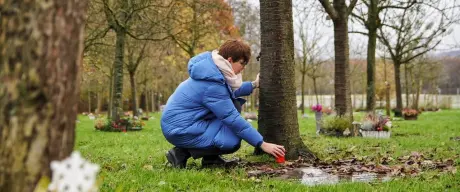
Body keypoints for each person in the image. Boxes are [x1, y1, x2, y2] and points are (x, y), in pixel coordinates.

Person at [161, 40, 285, 168]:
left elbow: (228, 92)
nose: (244, 67)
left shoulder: (211, 71)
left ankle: (210, 160)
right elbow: (232, 118)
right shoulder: (212, 84)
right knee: (231, 141)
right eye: (242, 63)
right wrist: (262, 144)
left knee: (231, 115)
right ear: (230, 60)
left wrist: (254, 84)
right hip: (180, 129)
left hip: (183, 123)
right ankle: (181, 153)